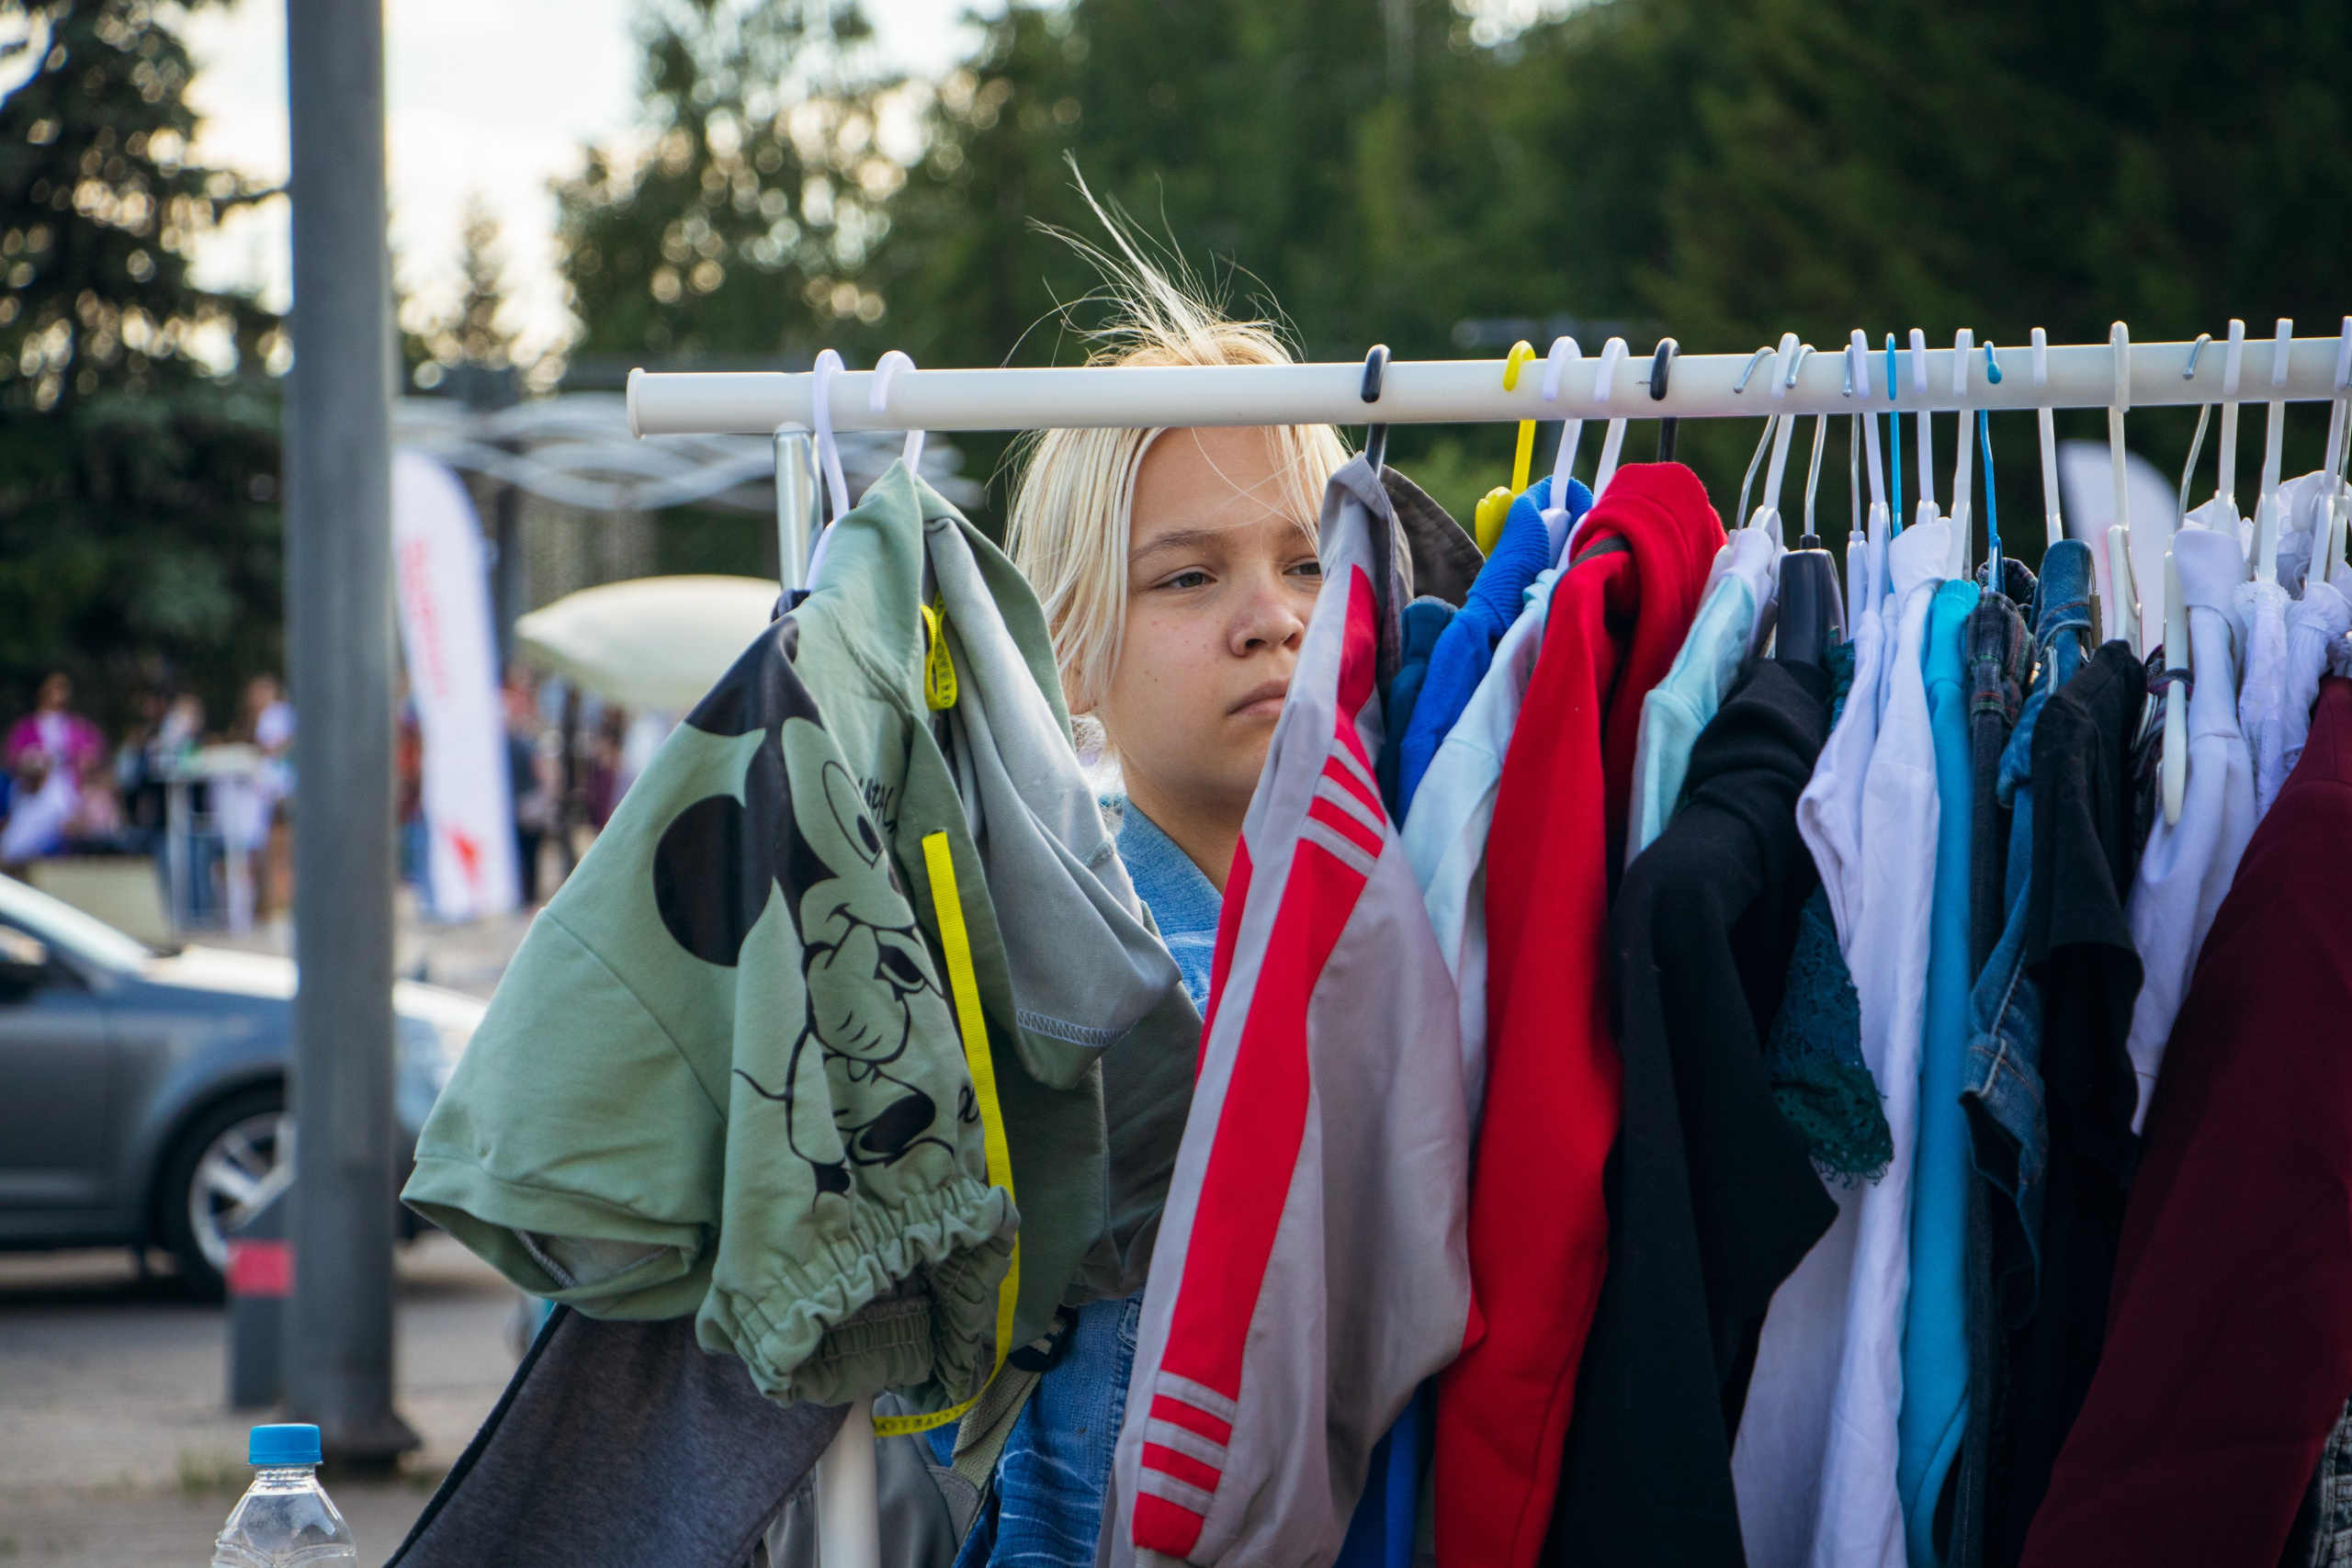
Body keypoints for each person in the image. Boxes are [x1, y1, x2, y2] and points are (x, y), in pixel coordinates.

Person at [925, 223, 1350, 1568]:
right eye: (1189, 573)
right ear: (1072, 653)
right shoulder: (1049, 978)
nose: (1272, 617)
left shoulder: (1427, 911)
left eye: (1308, 561)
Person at [1, 672, 107, 864]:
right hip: (34, 793)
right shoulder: (27, 727)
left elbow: (92, 758)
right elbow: (14, 761)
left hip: (69, 792)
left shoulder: (77, 727)